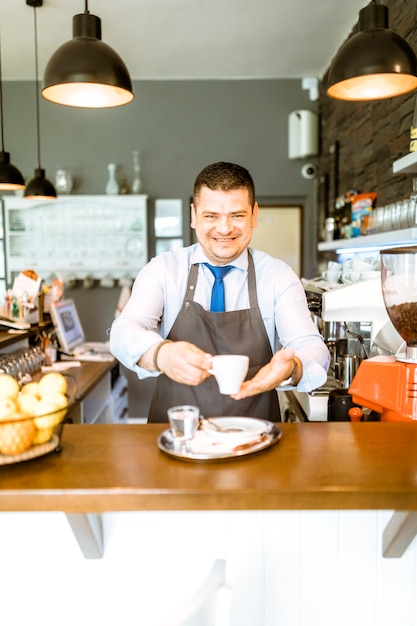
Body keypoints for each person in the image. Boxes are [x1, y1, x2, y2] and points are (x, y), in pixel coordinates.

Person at [110, 161, 329, 422]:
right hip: (176, 434)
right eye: (211, 216)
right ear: (193, 216)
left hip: (255, 436)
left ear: (254, 214)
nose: (224, 229)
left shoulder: (278, 276)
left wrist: (293, 366)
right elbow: (123, 331)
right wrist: (161, 355)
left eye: (237, 215)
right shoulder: (163, 270)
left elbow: (311, 347)